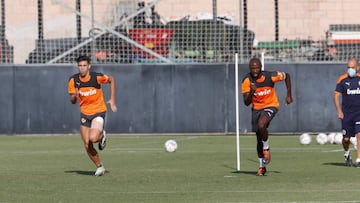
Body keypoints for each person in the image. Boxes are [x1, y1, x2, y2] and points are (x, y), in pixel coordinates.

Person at [241, 57, 293, 176]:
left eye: (257, 68)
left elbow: (287, 76)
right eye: (252, 68)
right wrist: (252, 92)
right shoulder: (247, 81)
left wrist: (289, 94)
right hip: (256, 109)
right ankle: (261, 166)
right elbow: (246, 102)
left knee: (262, 124)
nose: (254, 70)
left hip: (271, 105)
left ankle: (267, 148)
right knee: (258, 137)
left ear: (261, 68)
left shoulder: (270, 76)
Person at [68, 55, 117, 176]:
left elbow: (111, 79)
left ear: (89, 66)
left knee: (93, 138)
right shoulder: (73, 80)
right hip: (85, 113)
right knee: (86, 144)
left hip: (98, 111)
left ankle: (101, 136)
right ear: (77, 67)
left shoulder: (96, 77)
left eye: (85, 65)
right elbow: (73, 101)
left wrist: (112, 99)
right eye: (80, 66)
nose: (82, 68)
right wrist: (75, 96)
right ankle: (99, 167)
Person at [334, 57, 360, 167]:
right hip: (347, 114)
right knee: (346, 139)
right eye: (348, 67)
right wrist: (339, 111)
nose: (350, 70)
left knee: (359, 135)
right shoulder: (342, 79)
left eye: (352, 67)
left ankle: (359, 159)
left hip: (358, 113)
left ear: (357, 67)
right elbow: (336, 96)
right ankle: (347, 153)